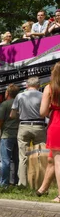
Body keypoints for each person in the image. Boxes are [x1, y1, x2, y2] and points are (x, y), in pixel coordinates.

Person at [10, 76, 46, 187]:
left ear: (26, 85)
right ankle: (39, 184)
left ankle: (23, 184)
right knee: (40, 155)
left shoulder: (20, 96)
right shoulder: (42, 96)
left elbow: (12, 114)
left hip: (24, 126)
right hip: (39, 126)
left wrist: (20, 115)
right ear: (38, 86)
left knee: (23, 157)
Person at [0, 84, 20, 187]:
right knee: (18, 160)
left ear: (7, 93)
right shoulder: (20, 103)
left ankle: (4, 184)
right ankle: (18, 182)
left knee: (5, 160)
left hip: (7, 135)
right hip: (19, 135)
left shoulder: (5, 104)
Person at [40, 62, 60, 202]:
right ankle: (42, 189)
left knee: (58, 160)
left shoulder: (50, 88)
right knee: (53, 159)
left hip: (56, 123)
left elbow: (43, 112)